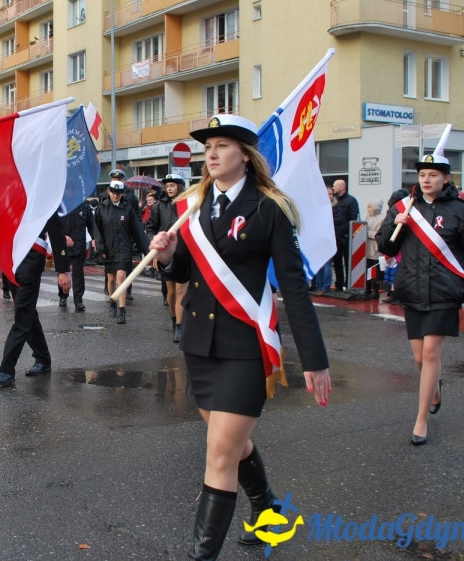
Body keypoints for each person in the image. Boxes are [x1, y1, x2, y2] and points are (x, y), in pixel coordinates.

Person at [148, 114, 331, 560]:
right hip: (199, 345)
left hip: (245, 347)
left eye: (223, 145)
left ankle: (201, 555)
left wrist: (314, 359)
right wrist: (169, 258)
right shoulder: (192, 206)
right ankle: (268, 509)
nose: (211, 154)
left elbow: (293, 287)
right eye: (208, 146)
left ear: (245, 156)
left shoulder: (270, 208)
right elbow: (186, 272)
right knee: (231, 441)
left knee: (219, 455)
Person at [378, 148, 464, 447]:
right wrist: (395, 223)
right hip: (412, 290)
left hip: (444, 292)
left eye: (433, 175)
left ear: (445, 178)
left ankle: (421, 420)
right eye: (422, 175)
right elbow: (386, 249)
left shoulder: (462, 212)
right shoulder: (405, 206)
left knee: (430, 354)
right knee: (419, 357)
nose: (426, 180)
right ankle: (435, 389)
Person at [0, 213, 71, 386]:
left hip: (30, 262)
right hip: (12, 263)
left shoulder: (43, 198)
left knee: (22, 317)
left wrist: (63, 270)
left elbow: (56, 233)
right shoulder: (9, 200)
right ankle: (43, 359)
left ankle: (6, 370)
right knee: (28, 315)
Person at [96, 180, 149, 324]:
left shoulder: (127, 208)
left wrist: (147, 250)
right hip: (108, 248)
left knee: (121, 277)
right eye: (113, 193)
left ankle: (122, 310)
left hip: (124, 248)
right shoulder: (101, 208)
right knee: (111, 279)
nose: (115, 196)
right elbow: (98, 231)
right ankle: (112, 303)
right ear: (109, 192)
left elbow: (137, 230)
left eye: (118, 194)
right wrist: (101, 249)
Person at [146, 174, 187, 341]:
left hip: (184, 251)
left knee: (181, 289)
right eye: (167, 185)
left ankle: (179, 326)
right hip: (166, 254)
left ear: (179, 186)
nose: (169, 188)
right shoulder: (158, 206)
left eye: (172, 185)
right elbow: (150, 228)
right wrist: (155, 248)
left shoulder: (187, 203)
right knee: (170, 291)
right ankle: (173, 317)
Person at [59, 199, 99, 311]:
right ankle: (63, 296)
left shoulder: (85, 206)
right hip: (63, 244)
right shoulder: (61, 204)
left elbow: (92, 225)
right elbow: (54, 225)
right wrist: (63, 237)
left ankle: (78, 300)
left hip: (79, 244)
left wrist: (95, 238)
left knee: (78, 272)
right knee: (63, 270)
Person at [331, 178, 359, 290]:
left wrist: (345, 231)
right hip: (336, 237)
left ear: (342, 187)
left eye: (335, 186)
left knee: (348, 262)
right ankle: (339, 284)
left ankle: (348, 284)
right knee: (337, 262)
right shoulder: (334, 201)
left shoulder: (351, 201)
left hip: (346, 237)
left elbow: (353, 218)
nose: (333, 188)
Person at [364, 199, 386, 299]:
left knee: (375, 271)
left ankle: (375, 290)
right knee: (367, 269)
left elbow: (379, 234)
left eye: (370, 206)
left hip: (375, 249)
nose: (368, 208)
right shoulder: (367, 217)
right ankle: (367, 289)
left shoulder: (382, 218)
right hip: (367, 248)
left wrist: (367, 233)